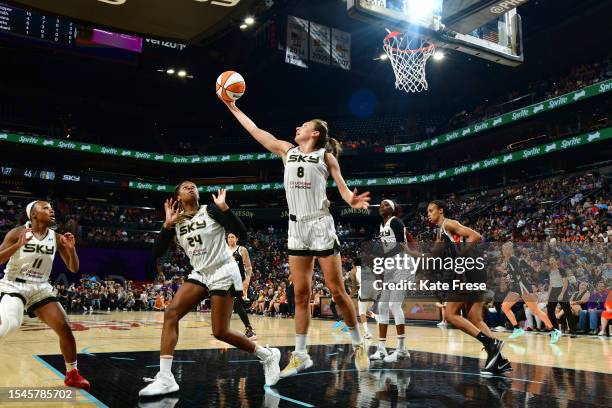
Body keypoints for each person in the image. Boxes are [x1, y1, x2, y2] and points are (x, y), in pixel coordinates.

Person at [221, 99, 371, 377]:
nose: (297, 128)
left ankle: (359, 343)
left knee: (337, 291)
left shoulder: (326, 157)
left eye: (303, 126)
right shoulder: (286, 151)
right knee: (300, 294)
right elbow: (256, 130)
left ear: (315, 133)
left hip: (320, 224)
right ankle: (301, 355)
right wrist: (233, 107)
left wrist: (353, 199)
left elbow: (343, 189)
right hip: (296, 228)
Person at [138, 182, 280, 397]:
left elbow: (242, 233)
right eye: (185, 187)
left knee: (220, 331)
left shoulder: (211, 210)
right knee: (171, 314)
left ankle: (266, 355)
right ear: (177, 196)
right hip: (201, 272)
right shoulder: (176, 221)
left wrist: (225, 209)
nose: (191, 188)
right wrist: (166, 226)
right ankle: (166, 378)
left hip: (223, 269)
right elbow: (157, 251)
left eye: (193, 186)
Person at [0, 200, 90, 390]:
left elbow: (74, 268)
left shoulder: (57, 237)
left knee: (65, 327)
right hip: (14, 285)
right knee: (11, 324)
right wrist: (18, 245)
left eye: (51, 207)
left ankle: (72, 374)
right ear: (33, 214)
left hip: (40, 287)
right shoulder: (17, 233)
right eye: (46, 208)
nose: (51, 210)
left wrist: (72, 250)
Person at [427, 200, 511, 377]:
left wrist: (459, 257)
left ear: (440, 211)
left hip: (465, 271)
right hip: (473, 271)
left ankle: (490, 343)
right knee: (475, 318)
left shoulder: (449, 223)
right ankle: (500, 360)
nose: (428, 214)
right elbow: (434, 253)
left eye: (431, 210)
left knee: (450, 315)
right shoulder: (440, 231)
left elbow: (475, 236)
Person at [369, 199, 410, 363]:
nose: (382, 206)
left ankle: (401, 349)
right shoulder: (382, 226)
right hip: (390, 267)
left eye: (386, 204)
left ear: (392, 209)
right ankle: (381, 349)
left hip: (402, 265)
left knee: (394, 305)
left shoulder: (396, 222)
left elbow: (401, 246)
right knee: (382, 306)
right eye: (380, 205)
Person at [498, 242, 560, 343]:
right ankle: (517, 329)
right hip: (516, 288)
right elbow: (513, 274)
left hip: (522, 287)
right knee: (505, 306)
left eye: (505, 249)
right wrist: (506, 274)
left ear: (510, 250)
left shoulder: (513, 259)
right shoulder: (508, 261)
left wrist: (508, 274)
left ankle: (554, 331)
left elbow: (518, 273)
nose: (503, 251)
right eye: (503, 249)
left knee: (535, 311)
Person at [227, 232, 256, 340]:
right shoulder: (223, 249)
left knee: (237, 305)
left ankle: (249, 330)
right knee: (226, 304)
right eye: (229, 237)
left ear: (237, 238)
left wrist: (247, 279)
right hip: (226, 281)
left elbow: (248, 267)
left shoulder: (242, 249)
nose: (230, 239)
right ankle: (222, 329)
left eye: (232, 237)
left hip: (239, 281)